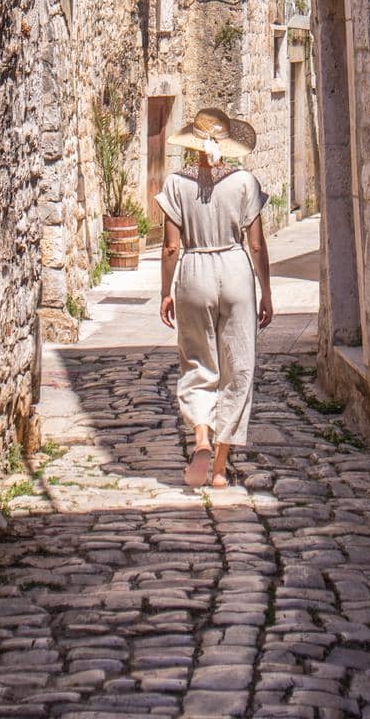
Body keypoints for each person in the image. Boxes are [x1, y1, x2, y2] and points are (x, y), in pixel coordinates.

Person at [156, 107, 273, 488]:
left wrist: (165, 292)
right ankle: (220, 467)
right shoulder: (244, 183)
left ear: (194, 144)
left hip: (195, 271)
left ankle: (201, 437)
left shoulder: (176, 184)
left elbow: (171, 248)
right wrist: (266, 290)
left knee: (197, 361)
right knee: (238, 365)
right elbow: (255, 243)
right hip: (235, 269)